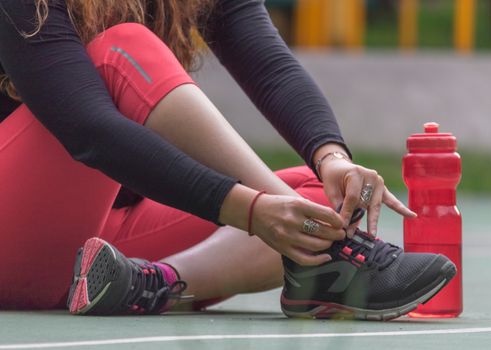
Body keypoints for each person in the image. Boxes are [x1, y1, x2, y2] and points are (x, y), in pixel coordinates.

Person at [0, 0, 456, 319]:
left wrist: (332, 158)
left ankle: (149, 284)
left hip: (102, 238)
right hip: (15, 241)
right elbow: (89, 130)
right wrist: (252, 210)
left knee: (318, 196)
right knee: (122, 51)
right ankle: (333, 251)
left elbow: (270, 66)